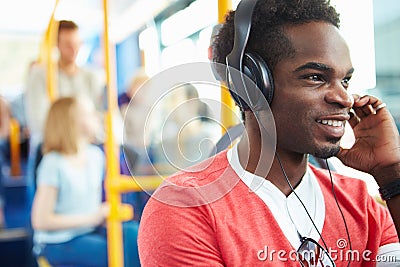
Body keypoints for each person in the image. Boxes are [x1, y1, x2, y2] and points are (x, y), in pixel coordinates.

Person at [138, 0, 400, 266]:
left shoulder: (359, 202)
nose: (344, 98)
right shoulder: (186, 206)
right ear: (252, 86)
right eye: (315, 77)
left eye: (345, 81)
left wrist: (392, 174)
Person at [31, 97, 139, 267]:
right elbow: (41, 220)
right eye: (89, 113)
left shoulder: (95, 155)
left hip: (89, 230)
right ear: (71, 122)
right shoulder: (53, 163)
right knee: (113, 253)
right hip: (59, 241)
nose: (97, 116)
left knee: (134, 234)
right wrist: (92, 217)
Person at [25, 20, 103, 142]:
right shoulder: (40, 75)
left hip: (88, 141)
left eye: (76, 43)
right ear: (56, 44)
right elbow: (38, 121)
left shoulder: (91, 76)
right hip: (53, 144)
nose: (73, 49)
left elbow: (101, 114)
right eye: (67, 44)